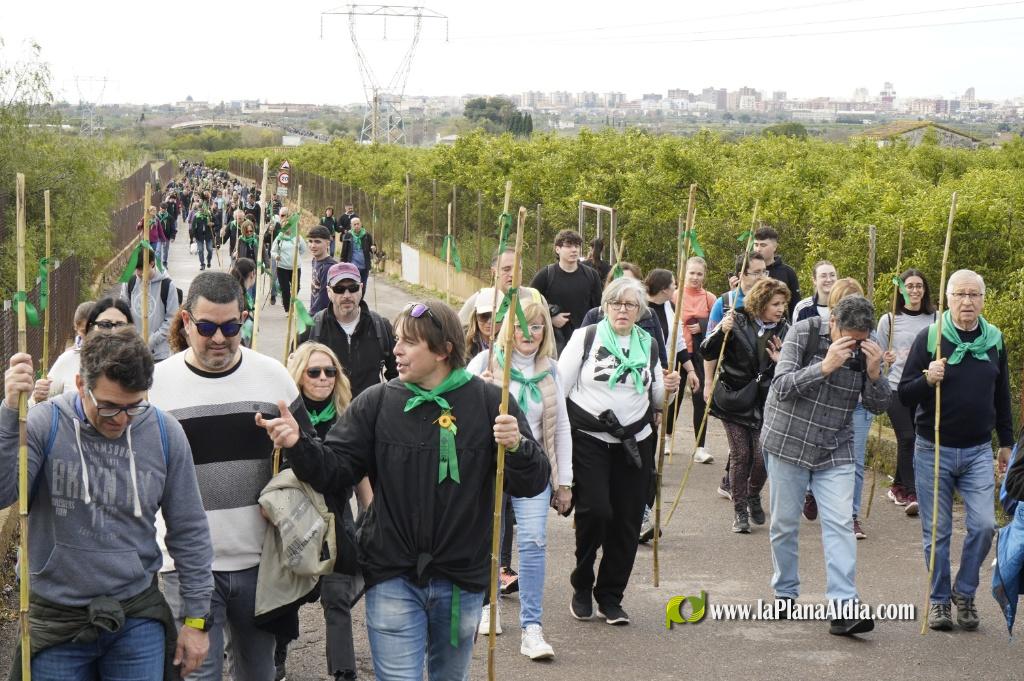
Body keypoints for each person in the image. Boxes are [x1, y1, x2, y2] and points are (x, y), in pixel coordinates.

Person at [256, 301, 550, 680]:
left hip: (461, 580)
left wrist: (518, 447)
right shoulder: (377, 402)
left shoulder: (490, 402)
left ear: (443, 350)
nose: (396, 350)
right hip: (392, 575)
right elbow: (335, 471)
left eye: (409, 342)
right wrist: (299, 444)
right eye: (397, 340)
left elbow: (532, 482)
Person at [1, 328, 213, 680]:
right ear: (80, 384)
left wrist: (197, 620)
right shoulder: (44, 424)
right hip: (56, 618)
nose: (121, 419)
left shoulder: (164, 433)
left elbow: (190, 529)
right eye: (109, 406)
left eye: (134, 407)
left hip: (136, 615)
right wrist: (10, 413)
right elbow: (5, 492)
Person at [152, 270, 310, 681]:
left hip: (261, 564)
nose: (219, 338)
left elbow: (315, 463)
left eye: (230, 327)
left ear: (243, 319)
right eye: (207, 328)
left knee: (259, 672)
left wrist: (295, 445)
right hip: (187, 568)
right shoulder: (156, 386)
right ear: (186, 321)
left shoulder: (273, 376)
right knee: (195, 674)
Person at [760, 295, 890, 636]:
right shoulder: (803, 332)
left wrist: (875, 374)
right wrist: (825, 366)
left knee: (840, 523)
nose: (855, 347)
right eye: (849, 339)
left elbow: (878, 406)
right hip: (789, 441)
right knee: (784, 524)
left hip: (835, 445)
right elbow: (781, 386)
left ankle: (844, 607)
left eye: (861, 340)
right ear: (833, 323)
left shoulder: (869, 346)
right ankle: (785, 592)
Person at [559, 277, 680, 625]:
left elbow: (656, 399)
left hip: (635, 442)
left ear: (640, 310)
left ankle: (611, 596)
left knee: (627, 520)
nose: (622, 310)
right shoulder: (587, 337)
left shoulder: (648, 344)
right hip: (589, 439)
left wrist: (669, 388)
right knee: (596, 511)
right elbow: (560, 387)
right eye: (616, 303)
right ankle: (583, 583)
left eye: (629, 304)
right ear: (605, 306)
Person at [898, 269, 1011, 632]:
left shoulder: (994, 340)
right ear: (947, 299)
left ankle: (964, 592)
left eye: (974, 295)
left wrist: (1006, 443)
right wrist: (927, 378)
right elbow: (904, 393)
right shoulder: (931, 337)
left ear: (983, 300)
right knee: (938, 532)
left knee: (984, 526)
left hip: (978, 451)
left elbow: (1002, 396)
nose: (967, 301)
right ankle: (938, 601)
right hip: (933, 449)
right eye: (960, 294)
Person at [467, 298, 572, 660]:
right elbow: (456, 412)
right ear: (507, 330)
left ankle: (532, 628)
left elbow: (561, 428)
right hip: (490, 471)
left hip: (532, 471)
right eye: (522, 326)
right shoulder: (484, 363)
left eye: (537, 326)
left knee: (533, 542)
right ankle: (488, 605)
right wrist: (475, 390)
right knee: (489, 539)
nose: (529, 334)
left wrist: (564, 482)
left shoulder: (553, 370)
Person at [281, 342, 369, 681]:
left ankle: (344, 671)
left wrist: (369, 512)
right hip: (295, 519)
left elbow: (361, 471)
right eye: (314, 371)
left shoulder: (349, 416)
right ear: (299, 375)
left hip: (336, 515)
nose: (323, 378)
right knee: (286, 595)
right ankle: (276, 657)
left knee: (337, 596)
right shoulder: (287, 417)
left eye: (330, 371)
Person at [702, 278, 790, 533]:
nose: (780, 309)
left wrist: (781, 360)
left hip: (765, 402)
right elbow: (707, 351)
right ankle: (740, 510)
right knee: (741, 455)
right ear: (761, 303)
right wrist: (721, 330)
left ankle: (753, 494)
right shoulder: (736, 319)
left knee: (762, 457)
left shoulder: (786, 330)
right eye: (775, 304)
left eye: (783, 304)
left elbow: (794, 368)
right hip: (734, 399)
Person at [707, 252, 768, 500]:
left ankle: (742, 488)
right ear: (741, 275)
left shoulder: (771, 304)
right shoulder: (725, 303)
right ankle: (739, 498)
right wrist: (708, 383)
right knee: (742, 450)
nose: (763, 277)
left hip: (761, 389)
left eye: (765, 271)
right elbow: (709, 349)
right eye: (757, 272)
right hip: (733, 388)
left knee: (759, 452)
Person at [877, 268, 936, 517]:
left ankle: (898, 486)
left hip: (922, 388)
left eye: (919, 285)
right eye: (909, 286)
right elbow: (877, 357)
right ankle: (913, 493)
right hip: (895, 387)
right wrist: (884, 358)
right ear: (901, 290)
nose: (914, 290)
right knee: (908, 437)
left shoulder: (935, 318)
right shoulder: (889, 320)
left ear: (925, 290)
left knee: (915, 438)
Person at [299, 262, 398, 398]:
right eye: (339, 289)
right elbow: (296, 377)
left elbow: (398, 375)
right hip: (329, 410)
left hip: (370, 409)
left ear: (361, 288)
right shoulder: (311, 328)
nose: (347, 295)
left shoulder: (381, 326)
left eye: (353, 288)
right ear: (329, 292)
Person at [530, 229, 603, 355]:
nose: (574, 250)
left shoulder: (591, 275)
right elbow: (530, 304)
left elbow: (599, 309)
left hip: (584, 342)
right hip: (554, 344)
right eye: (568, 246)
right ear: (557, 249)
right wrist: (550, 318)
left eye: (577, 246)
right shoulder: (546, 275)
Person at [679, 256, 717, 464]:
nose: (695, 277)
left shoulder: (710, 298)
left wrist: (702, 325)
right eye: (692, 273)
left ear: (704, 276)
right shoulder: (675, 295)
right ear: (685, 273)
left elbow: (716, 325)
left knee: (700, 398)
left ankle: (700, 447)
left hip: (700, 354)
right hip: (679, 351)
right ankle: (667, 438)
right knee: (673, 396)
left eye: (699, 274)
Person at [120, 249, 179, 362]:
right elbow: (122, 312)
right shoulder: (129, 283)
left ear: (152, 264)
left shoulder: (167, 285)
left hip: (159, 354)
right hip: (133, 352)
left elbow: (172, 319)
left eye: (141, 269)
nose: (138, 272)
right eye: (136, 269)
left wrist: (150, 341)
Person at [31, 301, 94, 401]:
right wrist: (38, 395)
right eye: (84, 331)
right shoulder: (68, 359)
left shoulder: (116, 357)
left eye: (92, 330)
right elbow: (40, 400)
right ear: (76, 328)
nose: (89, 336)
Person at [753, 225, 800, 318]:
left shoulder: (788, 272)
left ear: (775, 247)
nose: (758, 249)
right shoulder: (747, 270)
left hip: (780, 324)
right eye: (756, 245)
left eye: (763, 245)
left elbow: (795, 306)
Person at [271, 208, 309, 313]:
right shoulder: (279, 238)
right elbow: (273, 251)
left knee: (296, 288)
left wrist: (296, 256)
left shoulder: (297, 237)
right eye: (285, 226)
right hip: (282, 267)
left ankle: (292, 302)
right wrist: (276, 256)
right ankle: (287, 310)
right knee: (285, 290)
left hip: (295, 267)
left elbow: (303, 249)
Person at [308, 225, 338, 316]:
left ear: (328, 243)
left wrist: (310, 316)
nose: (313, 245)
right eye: (310, 241)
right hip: (316, 314)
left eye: (317, 242)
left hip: (324, 317)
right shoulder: (315, 260)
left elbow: (324, 299)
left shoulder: (328, 268)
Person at [339, 216, 374, 288]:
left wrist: (374, 248)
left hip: (364, 266)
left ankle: (361, 296)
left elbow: (372, 247)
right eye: (354, 224)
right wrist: (342, 263)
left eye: (358, 224)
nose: (356, 226)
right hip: (352, 266)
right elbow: (344, 251)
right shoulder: (348, 235)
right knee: (353, 286)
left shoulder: (367, 235)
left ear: (361, 224)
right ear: (351, 226)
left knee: (363, 286)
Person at [464, 288, 495, 361]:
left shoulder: (511, 342)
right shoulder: (462, 338)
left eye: (496, 316)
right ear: (475, 316)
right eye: (484, 316)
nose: (489, 321)